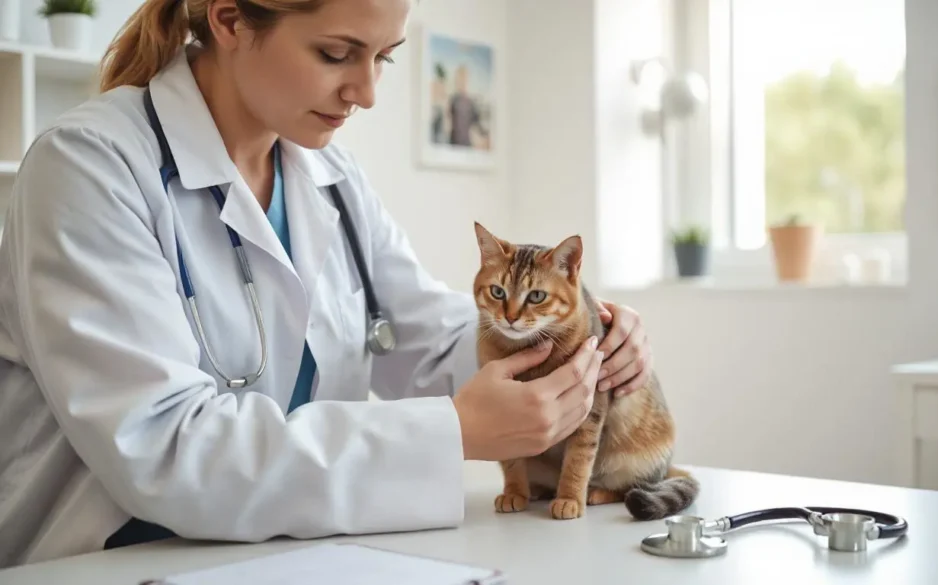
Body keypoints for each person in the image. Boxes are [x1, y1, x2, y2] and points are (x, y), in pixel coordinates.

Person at [0, 0, 655, 569]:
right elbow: (164, 446)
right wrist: (453, 430)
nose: (366, 92)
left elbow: (434, 337)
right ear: (229, 19)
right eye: (337, 53)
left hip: (296, 553)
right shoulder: (90, 167)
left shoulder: (331, 178)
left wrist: (576, 343)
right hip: (106, 562)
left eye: (384, 59)